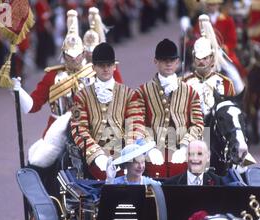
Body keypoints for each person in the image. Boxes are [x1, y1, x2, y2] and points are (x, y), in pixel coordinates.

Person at [12, 9, 95, 193]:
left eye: (77, 55)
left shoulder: (93, 73)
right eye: (69, 56)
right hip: (57, 132)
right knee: (38, 163)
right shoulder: (53, 76)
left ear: (83, 54)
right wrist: (18, 91)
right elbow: (32, 106)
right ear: (63, 55)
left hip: (90, 128)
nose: (74, 60)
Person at [127, 38, 204, 178]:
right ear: (156, 61)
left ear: (177, 62)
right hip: (153, 151)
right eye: (164, 60)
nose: (168, 63)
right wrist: (149, 147)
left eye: (172, 60)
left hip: (182, 150)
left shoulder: (191, 92)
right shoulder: (142, 92)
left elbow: (197, 124)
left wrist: (185, 146)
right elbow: (137, 124)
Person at [71, 42, 134, 180]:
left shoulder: (129, 94)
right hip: (95, 162)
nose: (106, 69)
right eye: (101, 65)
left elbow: (136, 123)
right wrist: (96, 155)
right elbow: (78, 129)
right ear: (93, 67)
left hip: (124, 159)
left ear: (114, 66)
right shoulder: (81, 96)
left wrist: (129, 149)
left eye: (109, 65)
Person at [183, 14, 236, 116]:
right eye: (198, 59)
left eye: (205, 58)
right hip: (193, 130)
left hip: (217, 130)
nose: (201, 62)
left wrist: (224, 48)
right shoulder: (184, 83)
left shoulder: (226, 83)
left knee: (235, 76)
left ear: (211, 58)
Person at [82, 7, 123, 83]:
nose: (90, 54)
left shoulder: (109, 65)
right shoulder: (81, 66)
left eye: (93, 50)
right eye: (88, 50)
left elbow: (119, 85)